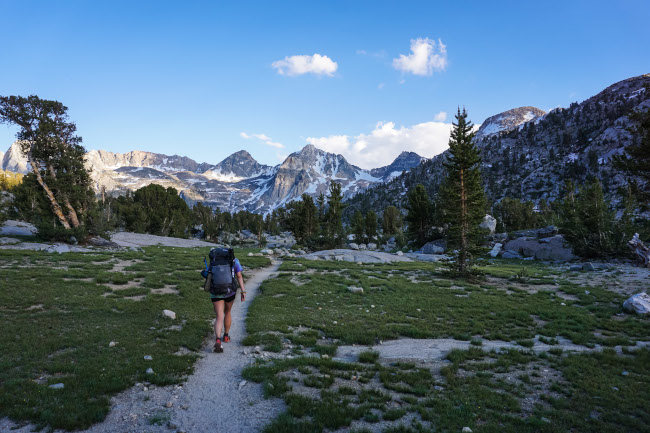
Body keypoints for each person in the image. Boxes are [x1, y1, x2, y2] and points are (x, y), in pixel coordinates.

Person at [211, 256, 246, 353]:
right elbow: (239, 276)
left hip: (216, 292)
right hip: (229, 291)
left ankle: (218, 339)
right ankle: (226, 336)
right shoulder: (234, 260)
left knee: (219, 316)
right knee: (228, 312)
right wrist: (243, 291)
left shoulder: (214, 260)